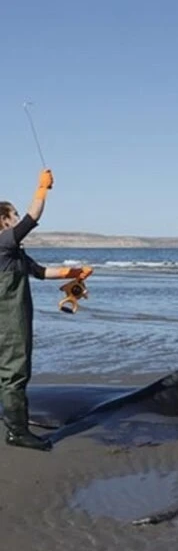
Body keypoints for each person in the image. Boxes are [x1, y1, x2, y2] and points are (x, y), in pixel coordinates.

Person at [1, 169, 94, 451]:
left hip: (14, 318)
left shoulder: (14, 252)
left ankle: (15, 424)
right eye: (12, 215)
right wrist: (42, 190)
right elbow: (33, 218)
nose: (17, 218)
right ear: (3, 221)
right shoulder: (3, 242)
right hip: (8, 321)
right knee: (14, 371)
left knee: (11, 370)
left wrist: (75, 272)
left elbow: (41, 272)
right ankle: (17, 431)